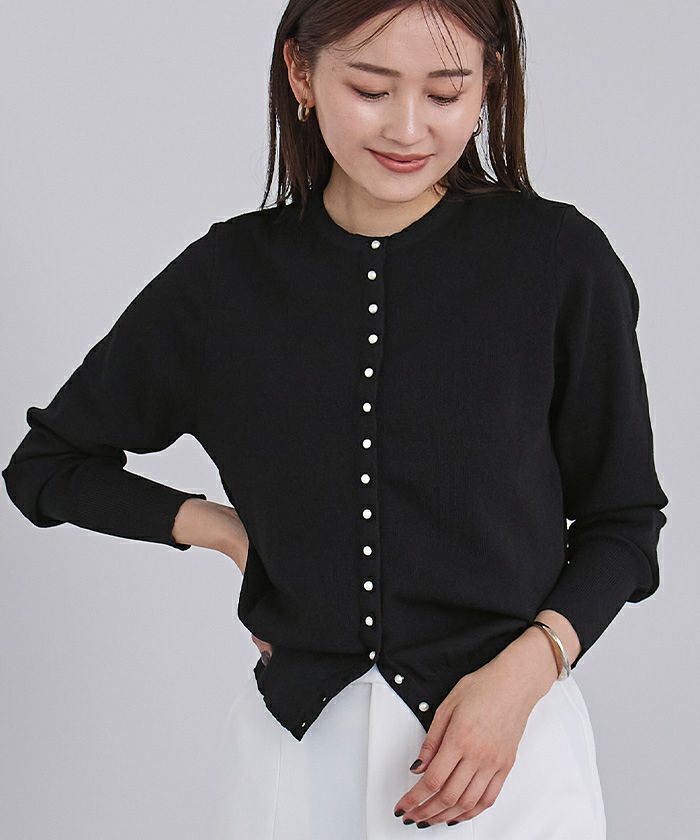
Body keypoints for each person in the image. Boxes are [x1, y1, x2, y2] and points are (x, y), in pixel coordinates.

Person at [2, 2, 669, 838]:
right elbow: (47, 465)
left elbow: (623, 522)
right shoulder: (227, 280)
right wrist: (224, 531)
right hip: (296, 756)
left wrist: (525, 677)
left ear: (490, 82)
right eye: (371, 88)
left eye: (445, 93)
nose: (408, 128)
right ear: (301, 73)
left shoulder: (559, 262)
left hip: (510, 760)